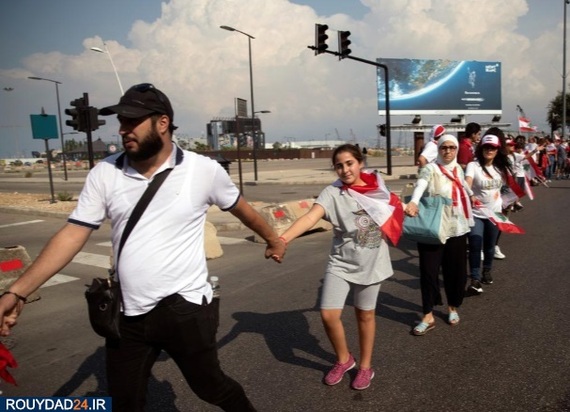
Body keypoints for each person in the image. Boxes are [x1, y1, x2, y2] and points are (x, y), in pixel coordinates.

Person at [0, 83, 286, 412]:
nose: (123, 129)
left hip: (186, 308)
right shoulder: (105, 172)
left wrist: (273, 240)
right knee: (125, 402)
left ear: (162, 123)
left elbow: (245, 211)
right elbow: (73, 234)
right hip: (127, 314)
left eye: (132, 121)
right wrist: (17, 292)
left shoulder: (202, 170)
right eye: (121, 121)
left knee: (211, 388)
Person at [275, 144, 395, 391]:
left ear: (360, 163)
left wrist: (409, 209)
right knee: (329, 315)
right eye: (339, 166)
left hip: (372, 262)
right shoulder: (332, 193)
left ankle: (365, 366)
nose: (345, 169)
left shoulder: (377, 188)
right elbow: (310, 217)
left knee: (365, 315)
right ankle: (344, 359)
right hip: (341, 261)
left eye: (349, 163)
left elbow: (393, 210)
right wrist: (283, 240)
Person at [404, 135, 474, 335]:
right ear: (439, 149)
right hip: (433, 227)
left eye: (452, 147)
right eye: (444, 147)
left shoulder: (458, 168)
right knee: (428, 271)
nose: (448, 151)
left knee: (456, 272)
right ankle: (428, 314)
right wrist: (414, 201)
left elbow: (463, 184)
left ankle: (452, 307)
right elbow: (421, 184)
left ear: (457, 149)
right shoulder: (431, 168)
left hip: (456, 227)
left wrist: (471, 196)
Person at [465, 133, 513, 295]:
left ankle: (487, 270)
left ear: (497, 150)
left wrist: (508, 203)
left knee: (490, 246)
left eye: (492, 147)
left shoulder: (500, 168)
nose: (489, 150)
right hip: (476, 213)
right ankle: (475, 279)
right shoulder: (473, 165)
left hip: (494, 214)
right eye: (486, 147)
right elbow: (467, 183)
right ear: (481, 148)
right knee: (475, 243)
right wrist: (470, 194)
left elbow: (505, 188)